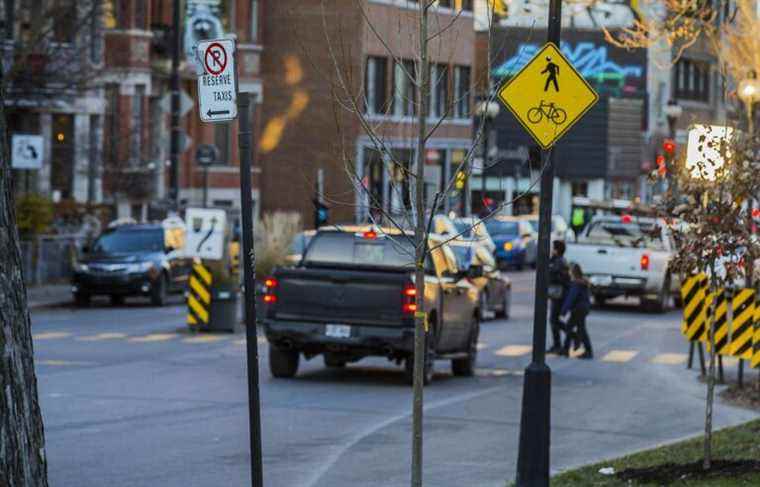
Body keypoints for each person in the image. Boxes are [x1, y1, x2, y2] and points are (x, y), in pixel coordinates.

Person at [560, 263, 593, 359]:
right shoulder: (582, 282)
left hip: (578, 309)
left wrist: (563, 311)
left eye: (570, 271)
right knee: (579, 328)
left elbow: (571, 298)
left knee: (570, 327)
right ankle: (569, 348)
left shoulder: (576, 284)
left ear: (573, 272)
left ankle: (584, 350)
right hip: (583, 308)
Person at [547, 240, 570, 354]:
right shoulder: (557, 260)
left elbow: (553, 274)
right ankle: (558, 343)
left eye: (553, 248)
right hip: (557, 293)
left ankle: (561, 342)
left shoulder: (560, 261)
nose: (551, 250)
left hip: (559, 294)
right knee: (554, 320)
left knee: (553, 320)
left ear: (556, 250)